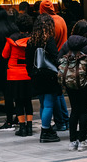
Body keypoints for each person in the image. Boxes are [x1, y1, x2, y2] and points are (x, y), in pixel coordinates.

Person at [58, 20, 87, 152]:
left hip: (70, 81)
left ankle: (72, 141)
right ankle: (82, 141)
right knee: (84, 110)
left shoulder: (67, 44)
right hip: (85, 82)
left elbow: (58, 60)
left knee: (74, 109)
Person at [25, 14, 62, 143]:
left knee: (42, 104)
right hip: (48, 76)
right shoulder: (49, 40)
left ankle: (45, 127)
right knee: (48, 105)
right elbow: (55, 58)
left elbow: (28, 61)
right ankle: (45, 131)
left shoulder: (31, 41)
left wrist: (31, 73)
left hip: (36, 76)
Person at [40, 0, 70, 131]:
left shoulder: (46, 23)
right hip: (63, 58)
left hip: (51, 61)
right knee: (59, 93)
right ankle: (65, 120)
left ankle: (61, 122)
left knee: (54, 95)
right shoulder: (61, 19)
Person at [3, 14, 34, 137]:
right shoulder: (33, 39)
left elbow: (5, 55)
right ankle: (30, 127)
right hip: (28, 73)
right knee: (28, 101)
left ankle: (22, 128)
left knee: (19, 101)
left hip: (14, 75)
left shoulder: (12, 39)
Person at [0, 8, 19, 131]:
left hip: (1, 64)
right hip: (14, 62)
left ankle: (9, 120)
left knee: (7, 93)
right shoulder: (13, 29)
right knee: (17, 92)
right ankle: (19, 117)